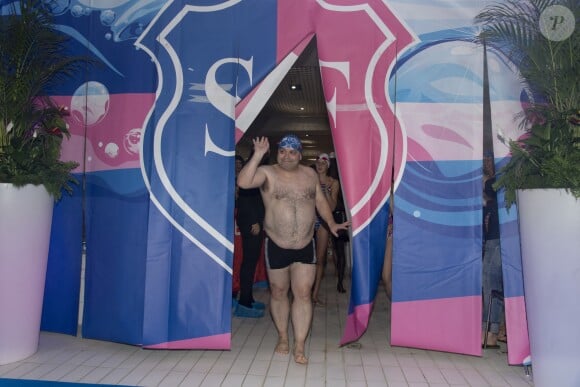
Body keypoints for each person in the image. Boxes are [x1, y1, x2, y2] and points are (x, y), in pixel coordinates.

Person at [237, 134, 350, 365]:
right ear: (277, 152)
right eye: (282, 151)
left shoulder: (309, 175)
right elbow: (243, 182)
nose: (286, 155)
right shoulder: (267, 172)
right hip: (277, 245)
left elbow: (319, 202)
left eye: (292, 151)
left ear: (299, 154)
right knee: (278, 293)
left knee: (303, 294)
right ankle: (282, 337)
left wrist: (331, 224)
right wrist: (258, 155)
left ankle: (299, 344)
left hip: (305, 245)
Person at [234, 151, 269, 318]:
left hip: (253, 221)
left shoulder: (255, 169)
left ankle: (248, 297)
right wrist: (256, 221)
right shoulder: (252, 170)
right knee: (248, 262)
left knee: (251, 262)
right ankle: (244, 302)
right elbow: (248, 199)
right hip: (251, 223)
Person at [481, 152, 504, 348]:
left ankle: (491, 332)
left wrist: (484, 180)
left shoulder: (501, 179)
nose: (487, 162)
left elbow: (491, 186)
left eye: (489, 158)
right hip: (493, 238)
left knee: (491, 283)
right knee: (491, 285)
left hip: (498, 238)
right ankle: (489, 331)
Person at [311, 153, 340, 305]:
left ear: (328, 165)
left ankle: (314, 294)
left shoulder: (333, 182)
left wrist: (327, 191)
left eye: (323, 163)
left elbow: (333, 207)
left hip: (323, 222)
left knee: (320, 259)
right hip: (309, 220)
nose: (320, 165)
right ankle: (305, 290)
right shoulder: (309, 178)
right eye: (318, 162)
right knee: (307, 258)